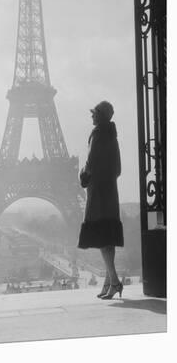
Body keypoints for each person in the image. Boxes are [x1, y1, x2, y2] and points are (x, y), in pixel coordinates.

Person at [78, 101, 124, 299]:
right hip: (110, 191)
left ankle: (114, 282)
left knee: (102, 239)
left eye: (94, 113)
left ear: (101, 116)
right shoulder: (113, 137)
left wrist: (84, 175)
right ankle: (108, 282)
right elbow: (118, 169)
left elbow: (90, 161)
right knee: (108, 237)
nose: (91, 116)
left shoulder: (97, 135)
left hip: (98, 193)